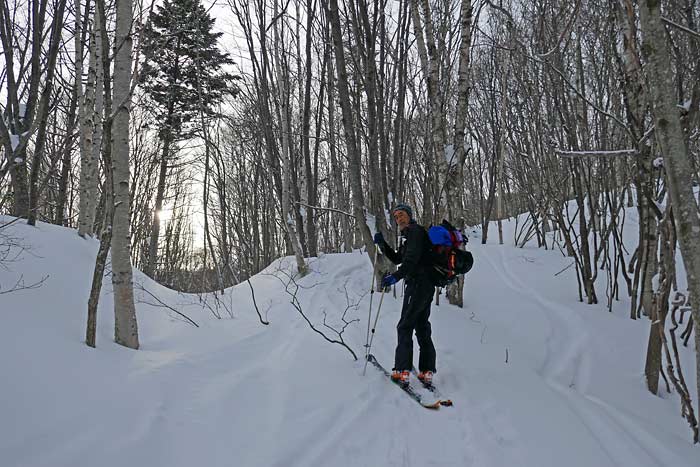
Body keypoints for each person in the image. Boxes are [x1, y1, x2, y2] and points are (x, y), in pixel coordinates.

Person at [373, 203, 436, 386]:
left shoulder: (415, 232)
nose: (399, 219)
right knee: (422, 326)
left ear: (409, 215)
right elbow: (398, 258)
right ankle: (426, 372)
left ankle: (402, 372)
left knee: (405, 326)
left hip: (417, 284)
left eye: (401, 215)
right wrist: (382, 244)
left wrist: (395, 277)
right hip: (425, 285)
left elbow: (410, 261)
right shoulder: (410, 236)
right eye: (396, 217)